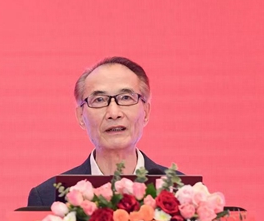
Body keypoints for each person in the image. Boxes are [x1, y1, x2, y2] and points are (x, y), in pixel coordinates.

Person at [27, 57, 176, 207]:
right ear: (81, 116)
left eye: (126, 98)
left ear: (146, 112)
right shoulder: (48, 198)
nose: (114, 113)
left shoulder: (180, 192)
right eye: (99, 100)